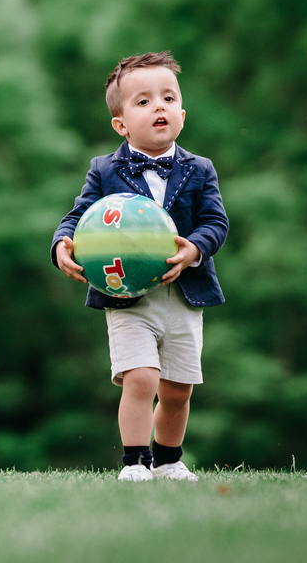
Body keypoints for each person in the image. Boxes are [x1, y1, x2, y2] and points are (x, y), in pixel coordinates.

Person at [51, 51, 228, 482]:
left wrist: (194, 249)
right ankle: (134, 461)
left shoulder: (200, 169)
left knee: (178, 388)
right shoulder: (104, 170)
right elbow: (77, 217)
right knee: (142, 378)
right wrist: (61, 245)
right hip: (126, 294)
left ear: (182, 113)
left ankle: (168, 460)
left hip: (184, 293)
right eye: (144, 101)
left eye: (168, 98)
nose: (159, 107)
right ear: (121, 124)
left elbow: (215, 222)